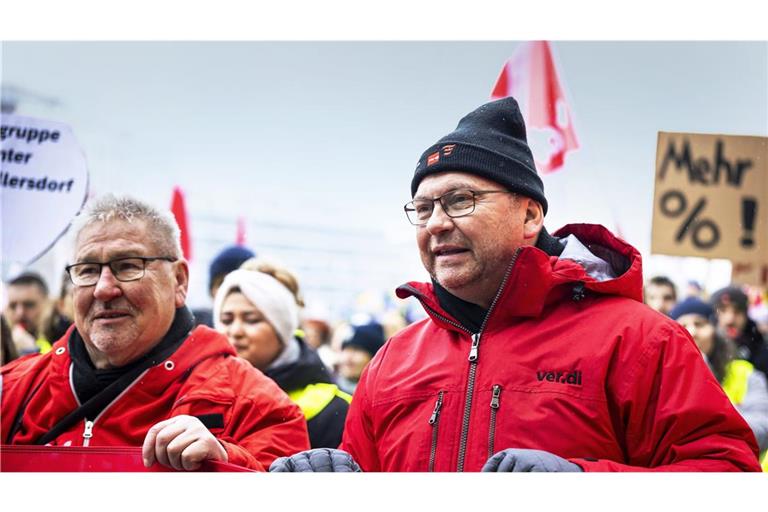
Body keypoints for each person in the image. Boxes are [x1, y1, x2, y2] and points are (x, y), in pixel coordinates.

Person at [270, 97, 761, 472]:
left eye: (460, 200)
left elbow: (727, 474)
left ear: (528, 215)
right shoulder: (393, 360)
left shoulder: (640, 340)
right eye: (423, 209)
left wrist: (584, 485)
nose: (435, 223)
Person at [1, 195, 309, 471]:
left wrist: (226, 465)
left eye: (128, 266)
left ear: (179, 280)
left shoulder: (256, 405)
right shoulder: (12, 390)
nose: (104, 288)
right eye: (87, 270)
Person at [213, 258, 351, 449]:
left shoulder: (334, 409)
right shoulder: (200, 393)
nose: (235, 331)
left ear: (282, 329)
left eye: (251, 319)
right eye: (226, 320)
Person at [669, 297, 768, 467]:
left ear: (715, 330)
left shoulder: (747, 374)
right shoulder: (664, 378)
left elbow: (762, 430)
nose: (692, 332)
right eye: (683, 326)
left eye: (700, 324)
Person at [711, 286, 768, 381]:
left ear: (745, 314)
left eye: (737, 312)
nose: (730, 319)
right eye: (723, 311)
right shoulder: (707, 346)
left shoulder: (759, 344)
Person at [191, 244, 256, 327]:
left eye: (237, 287)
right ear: (211, 291)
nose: (228, 290)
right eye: (221, 283)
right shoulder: (192, 330)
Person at [3, 271, 53, 355]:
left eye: (29, 305)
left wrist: (30, 351)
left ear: (47, 305)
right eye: (12, 306)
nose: (20, 313)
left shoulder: (66, 337)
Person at [336, 321, 385, 395]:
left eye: (356, 350)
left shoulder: (382, 396)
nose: (348, 357)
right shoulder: (329, 392)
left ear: (375, 358)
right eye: (346, 349)